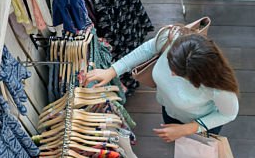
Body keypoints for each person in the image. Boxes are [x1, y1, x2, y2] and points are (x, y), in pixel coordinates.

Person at [81, 29, 239, 143]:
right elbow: (148, 48)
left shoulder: (218, 88)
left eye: (179, 74)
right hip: (170, 111)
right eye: (170, 65)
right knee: (181, 150)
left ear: (198, 75)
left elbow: (228, 114)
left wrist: (186, 129)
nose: (171, 74)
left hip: (201, 126)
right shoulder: (173, 37)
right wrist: (113, 70)